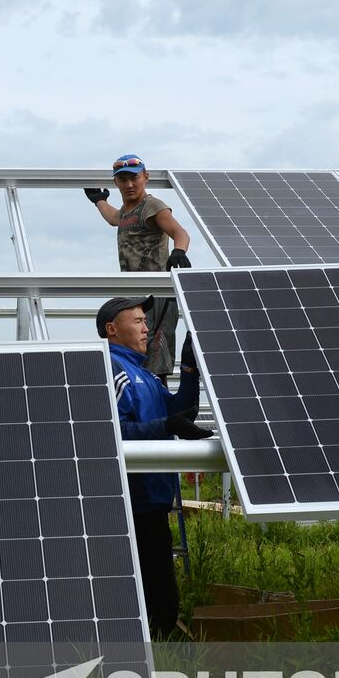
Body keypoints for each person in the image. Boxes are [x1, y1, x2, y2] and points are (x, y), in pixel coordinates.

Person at [97, 295, 212, 639]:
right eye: (137, 321)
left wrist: (189, 366)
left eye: (146, 321)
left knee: (160, 575)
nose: (146, 328)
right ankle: (156, 644)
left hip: (154, 495)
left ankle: (161, 637)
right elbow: (112, 433)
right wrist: (167, 427)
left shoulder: (144, 374)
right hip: (134, 499)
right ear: (112, 329)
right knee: (151, 578)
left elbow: (180, 411)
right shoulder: (113, 370)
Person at [85, 154, 194, 378]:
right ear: (116, 183)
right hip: (136, 297)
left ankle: (162, 410)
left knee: (156, 361)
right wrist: (99, 201)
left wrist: (179, 251)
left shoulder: (151, 206)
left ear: (146, 177)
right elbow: (114, 217)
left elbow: (179, 232)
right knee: (138, 358)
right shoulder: (126, 211)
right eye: (123, 180)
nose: (129, 185)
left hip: (158, 296)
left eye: (134, 178)